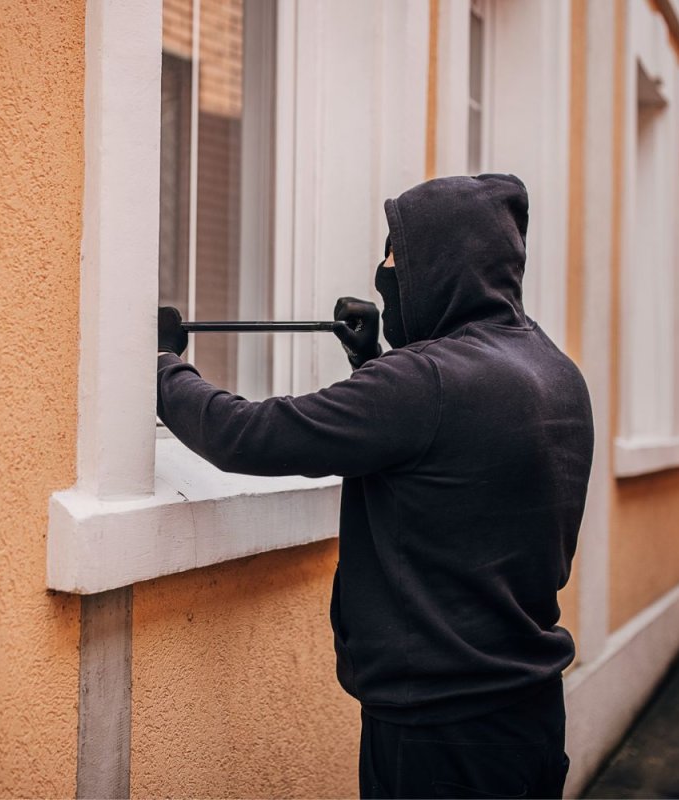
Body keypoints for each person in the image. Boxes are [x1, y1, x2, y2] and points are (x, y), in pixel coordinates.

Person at [155, 174, 594, 799]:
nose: (384, 269)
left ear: (439, 262)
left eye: (394, 253)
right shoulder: (554, 369)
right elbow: (453, 459)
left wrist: (165, 367)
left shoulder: (425, 382)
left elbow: (248, 436)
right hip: (527, 715)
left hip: (437, 733)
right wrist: (376, 362)